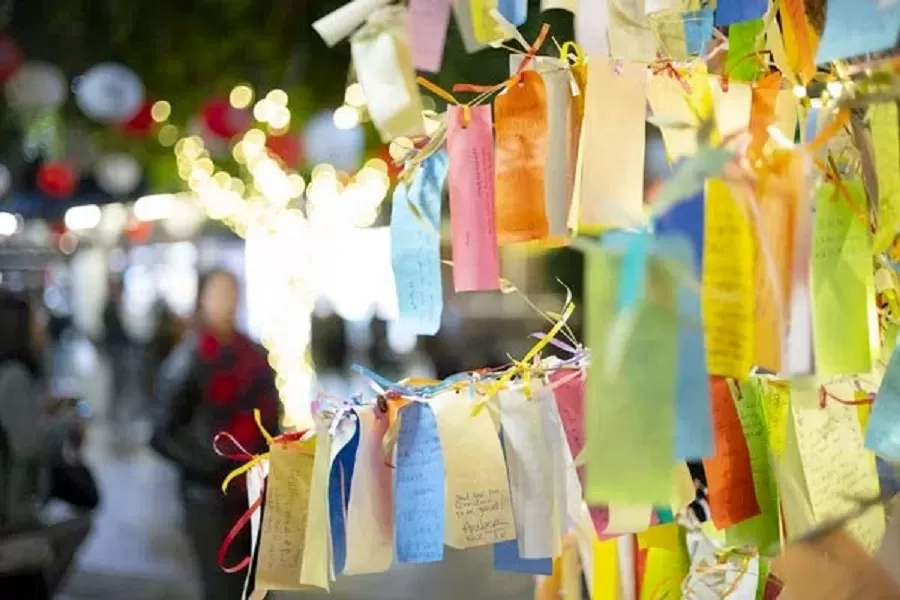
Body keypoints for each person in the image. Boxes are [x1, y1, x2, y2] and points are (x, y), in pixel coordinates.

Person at [151, 269, 280, 600]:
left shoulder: (253, 353)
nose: (227, 301)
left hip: (254, 491)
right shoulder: (190, 356)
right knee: (222, 587)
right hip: (208, 497)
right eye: (219, 292)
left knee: (260, 585)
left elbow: (269, 420)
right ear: (203, 298)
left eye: (232, 292)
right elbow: (162, 433)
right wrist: (210, 465)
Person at [0, 291, 98, 598]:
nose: (41, 326)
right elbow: (28, 445)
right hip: (13, 518)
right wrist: (66, 426)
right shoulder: (13, 375)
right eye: (35, 319)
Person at [99, 277, 133, 425]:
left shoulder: (113, 307)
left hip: (117, 348)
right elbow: (115, 331)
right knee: (117, 381)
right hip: (116, 348)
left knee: (119, 381)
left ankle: (115, 412)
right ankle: (114, 413)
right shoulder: (110, 308)